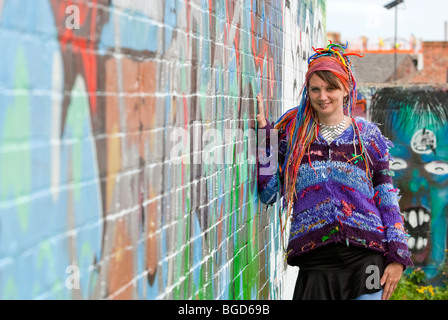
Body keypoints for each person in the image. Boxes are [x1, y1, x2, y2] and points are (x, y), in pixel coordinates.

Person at [256, 42, 413, 300]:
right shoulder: (294, 136)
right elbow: (269, 193)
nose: (322, 96)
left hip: (366, 258)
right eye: (315, 89)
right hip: (316, 262)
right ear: (307, 91)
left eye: (331, 88)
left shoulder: (367, 137)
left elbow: (387, 197)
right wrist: (266, 139)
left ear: (346, 90)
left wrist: (397, 255)